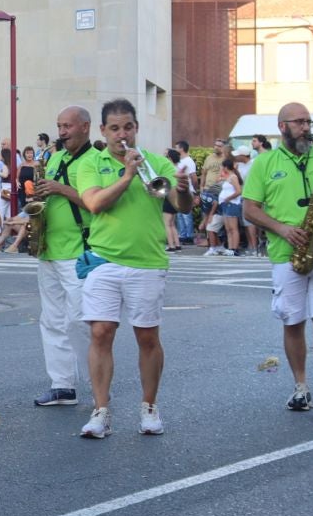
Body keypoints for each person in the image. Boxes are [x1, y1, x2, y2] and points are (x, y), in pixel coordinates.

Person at [69, 100, 176, 438]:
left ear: (136, 128)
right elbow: (94, 203)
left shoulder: (157, 163)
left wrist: (186, 191)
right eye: (114, 128)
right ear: (103, 131)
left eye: (128, 127)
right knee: (100, 332)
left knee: (147, 336)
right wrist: (128, 176)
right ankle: (100, 411)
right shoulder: (90, 162)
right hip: (103, 260)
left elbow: (179, 203)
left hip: (147, 260)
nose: (122, 134)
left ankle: (149, 407)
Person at [241, 104, 313, 412]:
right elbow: (249, 209)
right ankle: (300, 386)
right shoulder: (265, 163)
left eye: (308, 121)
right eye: (299, 122)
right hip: (286, 252)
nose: (306, 127)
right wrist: (282, 229)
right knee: (293, 322)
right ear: (282, 126)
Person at [31, 108, 96, 408]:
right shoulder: (53, 158)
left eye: (67, 126)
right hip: (49, 248)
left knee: (79, 321)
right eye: (59, 126)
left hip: (78, 251)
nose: (62, 132)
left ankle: (98, 382)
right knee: (52, 320)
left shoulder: (94, 160)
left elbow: (96, 202)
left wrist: (59, 188)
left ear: (85, 126)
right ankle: (62, 385)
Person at [206, 155, 244, 256]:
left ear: (226, 167)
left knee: (233, 228)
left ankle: (234, 248)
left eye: (222, 167)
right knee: (228, 228)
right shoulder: (227, 177)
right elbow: (219, 180)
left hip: (232, 204)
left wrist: (228, 198)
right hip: (225, 205)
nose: (221, 169)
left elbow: (238, 191)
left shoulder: (233, 177)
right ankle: (230, 247)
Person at [172, 141, 198, 246]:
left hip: (188, 190)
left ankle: (189, 235)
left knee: (186, 215)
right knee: (180, 214)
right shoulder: (181, 161)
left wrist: (195, 190)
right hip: (180, 189)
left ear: (182, 149)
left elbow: (194, 177)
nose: (175, 149)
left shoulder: (189, 161)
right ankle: (182, 235)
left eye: (176, 147)